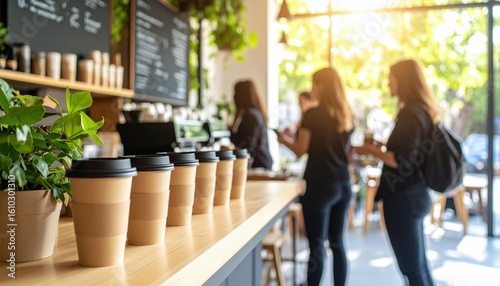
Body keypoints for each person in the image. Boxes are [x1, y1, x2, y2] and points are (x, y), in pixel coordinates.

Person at [353, 59, 437, 286]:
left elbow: (401, 161)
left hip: (404, 198)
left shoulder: (411, 113)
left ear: (403, 81)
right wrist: (382, 147)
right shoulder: (422, 111)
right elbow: (408, 153)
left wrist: (368, 149)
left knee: (412, 269)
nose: (388, 83)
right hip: (415, 194)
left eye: (391, 78)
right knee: (419, 266)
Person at [277, 67, 354, 286]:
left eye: (314, 84)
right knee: (338, 244)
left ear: (322, 86)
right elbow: (347, 152)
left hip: (320, 185)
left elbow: (301, 149)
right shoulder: (347, 115)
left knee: (317, 246)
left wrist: (282, 140)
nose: (312, 90)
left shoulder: (312, 114)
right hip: (342, 184)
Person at [230, 79, 273, 169]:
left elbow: (246, 145)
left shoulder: (250, 116)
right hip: (263, 163)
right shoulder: (257, 113)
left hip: (258, 166)